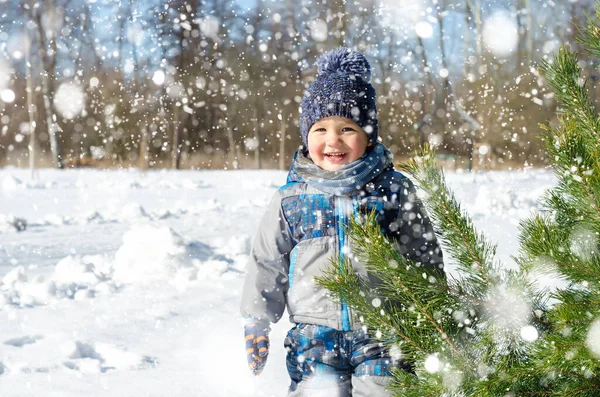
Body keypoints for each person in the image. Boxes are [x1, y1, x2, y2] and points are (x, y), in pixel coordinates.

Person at [241, 47, 444, 396]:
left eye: (347, 128)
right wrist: (257, 319)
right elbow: (267, 260)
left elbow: (422, 253)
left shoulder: (393, 190)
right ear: (306, 135)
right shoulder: (290, 199)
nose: (332, 140)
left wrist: (436, 315)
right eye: (320, 128)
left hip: (383, 332)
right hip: (314, 338)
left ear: (368, 136)